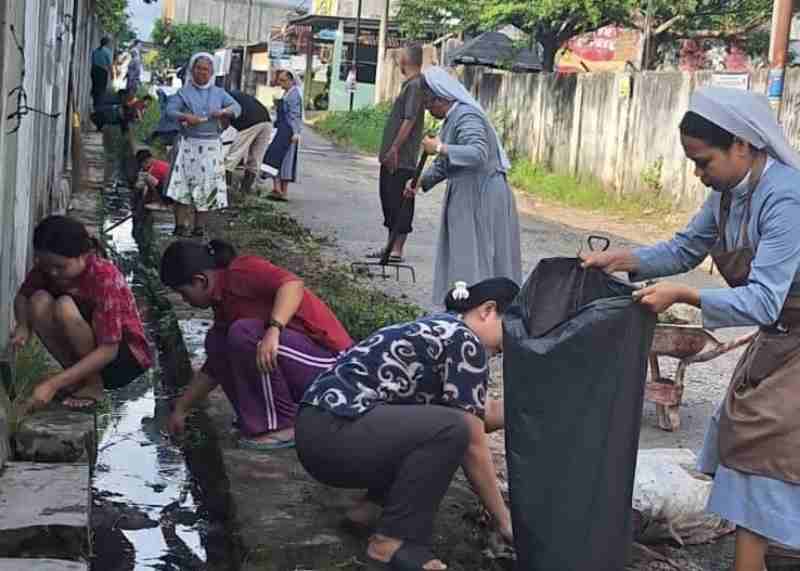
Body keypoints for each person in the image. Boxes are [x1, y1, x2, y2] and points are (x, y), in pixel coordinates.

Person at [582, 87, 800, 571]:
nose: (698, 174)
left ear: (742, 145)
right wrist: (618, 260)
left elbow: (763, 298)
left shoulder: (786, 198)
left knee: (760, 446)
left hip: (788, 331)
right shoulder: (726, 196)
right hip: (781, 337)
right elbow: (684, 249)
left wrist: (685, 294)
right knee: (749, 443)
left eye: (704, 162)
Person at [297, 278, 516, 570]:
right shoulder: (466, 342)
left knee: (435, 424)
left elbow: (480, 413)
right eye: (512, 331)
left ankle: (369, 510)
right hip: (336, 434)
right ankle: (393, 541)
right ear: (488, 310)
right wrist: (505, 521)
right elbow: (472, 440)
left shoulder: (443, 327)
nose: (512, 344)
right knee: (450, 429)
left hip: (318, 429)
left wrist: (535, 405)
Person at [161, 239, 353, 450]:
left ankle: (281, 427)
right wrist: (181, 408)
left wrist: (274, 329)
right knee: (218, 341)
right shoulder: (222, 302)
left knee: (245, 334)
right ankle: (255, 419)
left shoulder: (243, 270)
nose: (185, 300)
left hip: (335, 369)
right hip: (303, 366)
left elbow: (292, 285)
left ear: (200, 280)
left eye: (184, 293)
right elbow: (215, 365)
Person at [405, 67, 522, 305]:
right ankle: (469, 305)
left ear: (441, 97)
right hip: (468, 194)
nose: (427, 109)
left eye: (428, 103)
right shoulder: (453, 120)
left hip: (483, 194)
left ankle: (486, 308)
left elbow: (478, 153)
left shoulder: (468, 116)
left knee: (481, 254)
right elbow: (445, 163)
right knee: (466, 253)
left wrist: (439, 147)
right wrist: (420, 182)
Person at [10, 216, 152, 411]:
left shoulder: (104, 276)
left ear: (84, 255)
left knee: (64, 305)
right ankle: (79, 381)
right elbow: (23, 296)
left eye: (60, 267)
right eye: (46, 266)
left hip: (123, 359)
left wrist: (53, 384)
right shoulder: (48, 269)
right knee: (38, 300)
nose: (52, 273)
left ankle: (93, 385)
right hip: (91, 353)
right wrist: (23, 325)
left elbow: (109, 349)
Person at [165, 52, 241, 238]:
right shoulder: (184, 93)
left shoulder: (219, 93)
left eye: (206, 69)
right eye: (198, 69)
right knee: (181, 186)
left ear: (211, 72)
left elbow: (237, 108)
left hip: (211, 146)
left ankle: (199, 227)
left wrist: (223, 112)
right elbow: (169, 110)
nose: (202, 73)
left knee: (206, 188)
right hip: (188, 144)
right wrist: (184, 116)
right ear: (192, 70)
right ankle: (180, 225)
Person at [369, 44, 425, 263]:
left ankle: (397, 249)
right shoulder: (409, 85)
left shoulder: (415, 85)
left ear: (405, 61)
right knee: (389, 200)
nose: (398, 62)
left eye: (399, 58)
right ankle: (390, 245)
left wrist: (394, 148)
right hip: (394, 157)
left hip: (402, 158)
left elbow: (409, 120)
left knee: (400, 201)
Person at [262, 70, 303, 201]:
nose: (281, 83)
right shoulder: (287, 93)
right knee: (275, 157)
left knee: (286, 160)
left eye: (283, 80)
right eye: (280, 80)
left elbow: (295, 115)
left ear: (291, 80)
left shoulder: (294, 94)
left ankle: (282, 191)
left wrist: (296, 133)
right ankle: (277, 188)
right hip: (280, 128)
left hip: (289, 131)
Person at [222, 90, 272, 195]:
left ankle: (226, 191)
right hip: (267, 121)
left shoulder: (221, 99)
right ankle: (245, 192)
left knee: (232, 157)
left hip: (249, 122)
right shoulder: (234, 94)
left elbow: (224, 121)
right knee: (255, 159)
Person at [91, 37, 114, 105]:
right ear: (107, 43)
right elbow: (109, 64)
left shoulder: (95, 51)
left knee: (95, 87)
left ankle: (94, 102)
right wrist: (112, 73)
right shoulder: (107, 51)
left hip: (94, 70)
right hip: (102, 72)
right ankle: (98, 105)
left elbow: (92, 61)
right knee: (101, 90)